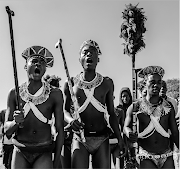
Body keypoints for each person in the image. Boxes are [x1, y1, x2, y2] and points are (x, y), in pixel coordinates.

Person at [63, 39, 125, 169]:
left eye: (92, 53)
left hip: (102, 137)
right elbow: (65, 111)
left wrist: (120, 138)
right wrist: (70, 120)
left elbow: (111, 114)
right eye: (85, 53)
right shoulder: (71, 83)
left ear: (98, 59)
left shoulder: (107, 83)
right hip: (80, 138)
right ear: (79, 59)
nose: (88, 55)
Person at [4, 46, 64, 169]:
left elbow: (59, 129)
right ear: (26, 66)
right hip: (20, 150)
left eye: (42, 62)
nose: (38, 64)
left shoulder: (55, 94)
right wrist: (15, 122)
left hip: (44, 150)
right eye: (34, 61)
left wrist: (57, 158)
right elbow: (6, 130)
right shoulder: (14, 93)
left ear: (45, 69)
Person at [124, 65, 179, 169]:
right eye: (152, 82)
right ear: (145, 83)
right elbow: (126, 126)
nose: (156, 85)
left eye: (159, 82)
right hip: (145, 157)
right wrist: (129, 132)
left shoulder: (168, 106)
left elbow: (175, 133)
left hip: (167, 156)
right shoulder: (136, 107)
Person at [110, 87, 132, 169]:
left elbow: (123, 128)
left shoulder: (132, 108)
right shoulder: (118, 109)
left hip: (126, 139)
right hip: (109, 142)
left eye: (127, 96)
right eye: (123, 96)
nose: (125, 98)